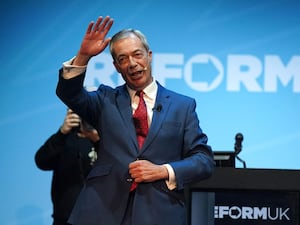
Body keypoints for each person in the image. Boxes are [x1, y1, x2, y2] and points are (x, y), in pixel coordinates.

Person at [56, 16, 215, 225]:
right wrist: (83, 56)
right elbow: (69, 94)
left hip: (159, 212)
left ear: (149, 56)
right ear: (116, 67)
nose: (132, 64)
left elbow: (203, 161)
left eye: (137, 55)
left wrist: (162, 170)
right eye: (123, 59)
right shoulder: (105, 100)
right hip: (102, 210)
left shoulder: (182, 106)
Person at [35, 109, 100, 225]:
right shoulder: (62, 141)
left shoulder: (107, 141)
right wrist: (61, 133)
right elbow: (41, 162)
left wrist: (98, 141)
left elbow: (119, 168)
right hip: (66, 219)